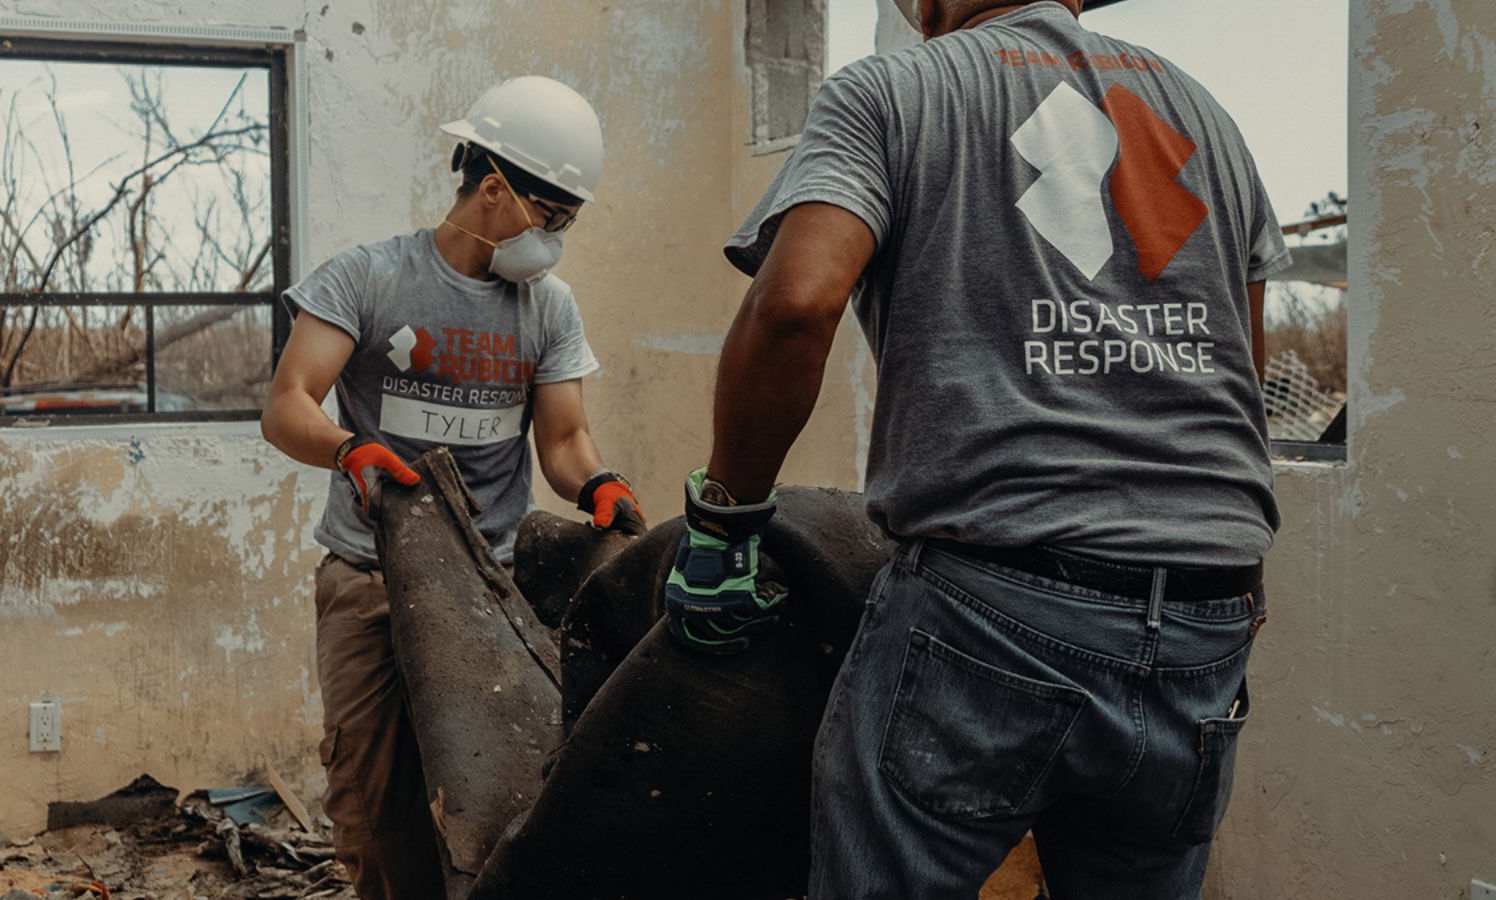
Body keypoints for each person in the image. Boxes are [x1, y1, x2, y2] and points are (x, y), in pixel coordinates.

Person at [662, 1, 1290, 896]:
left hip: (993, 614)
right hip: (1208, 626)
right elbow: (1240, 380)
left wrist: (723, 526)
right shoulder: (1208, 118)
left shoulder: (895, 89)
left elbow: (795, 306)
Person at [261, 75, 645, 899]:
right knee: (374, 802)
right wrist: (349, 452)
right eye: (555, 217)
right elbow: (288, 406)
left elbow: (567, 441)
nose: (560, 238)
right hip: (370, 579)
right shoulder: (368, 278)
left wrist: (599, 486)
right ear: (496, 189)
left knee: (497, 796)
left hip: (489, 593)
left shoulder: (547, 308)